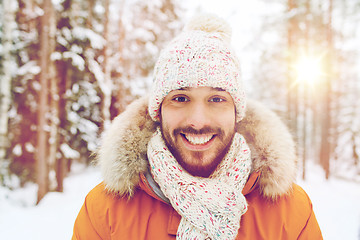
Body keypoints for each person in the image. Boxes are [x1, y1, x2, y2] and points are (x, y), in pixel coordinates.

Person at [72, 14, 323, 240]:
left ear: (237, 112)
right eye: (180, 98)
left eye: (217, 99)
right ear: (158, 112)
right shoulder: (104, 212)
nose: (198, 121)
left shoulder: (291, 213)